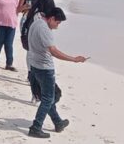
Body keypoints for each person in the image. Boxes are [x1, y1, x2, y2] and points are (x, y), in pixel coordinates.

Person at [25, 7, 87, 138]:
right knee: (48, 99)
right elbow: (53, 51)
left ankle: (58, 122)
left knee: (48, 97)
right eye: (57, 23)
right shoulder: (44, 29)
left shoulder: (36, 22)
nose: (57, 26)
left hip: (34, 64)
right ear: (51, 18)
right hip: (44, 68)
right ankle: (36, 127)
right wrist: (74, 59)